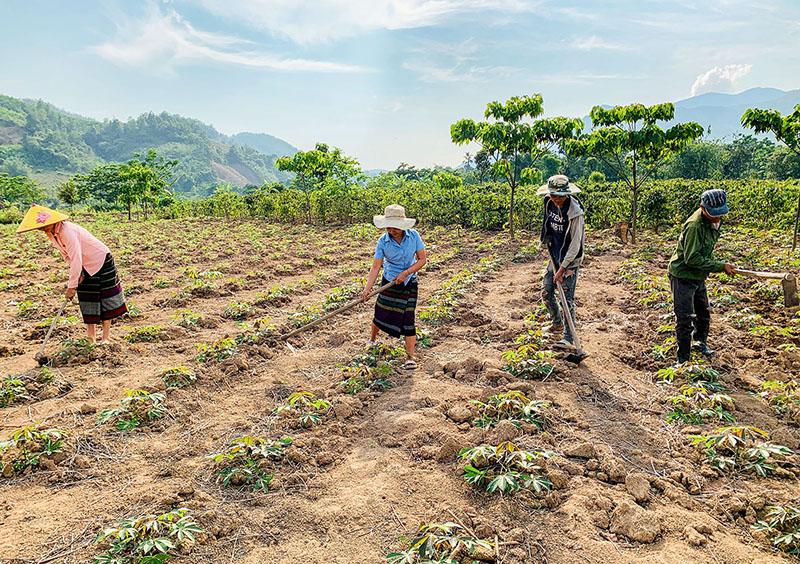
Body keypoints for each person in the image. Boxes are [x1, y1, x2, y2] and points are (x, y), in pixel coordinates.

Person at [16, 204, 128, 344]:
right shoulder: (51, 234)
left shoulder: (66, 231)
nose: (42, 229)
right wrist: (79, 274)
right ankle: (90, 338)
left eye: (44, 225)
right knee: (87, 297)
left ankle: (105, 337)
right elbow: (67, 256)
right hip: (83, 263)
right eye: (40, 227)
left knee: (106, 296)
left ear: (52, 221)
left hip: (101, 259)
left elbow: (76, 257)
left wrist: (71, 286)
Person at [668, 189, 735, 364]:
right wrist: (720, 266)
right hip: (683, 275)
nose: (718, 218)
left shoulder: (714, 221)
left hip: (698, 275)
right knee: (685, 318)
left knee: (703, 313)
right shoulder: (694, 226)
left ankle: (700, 343)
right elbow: (692, 258)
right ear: (702, 208)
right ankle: (683, 359)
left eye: (720, 214)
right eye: (714, 215)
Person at [360, 204, 427, 370]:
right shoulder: (383, 242)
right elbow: (376, 267)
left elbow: (422, 260)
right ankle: (372, 340)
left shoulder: (414, 236)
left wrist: (406, 273)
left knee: (408, 318)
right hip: (389, 280)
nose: (391, 230)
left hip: (409, 282)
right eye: (388, 227)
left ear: (403, 225)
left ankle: (410, 357)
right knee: (381, 311)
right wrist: (367, 289)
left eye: (395, 227)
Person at [537, 174, 585, 350]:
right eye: (553, 195)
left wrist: (563, 268)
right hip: (555, 255)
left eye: (560, 196)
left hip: (570, 260)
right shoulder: (548, 202)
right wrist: (545, 240)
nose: (556, 199)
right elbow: (547, 225)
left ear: (567, 194)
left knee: (566, 298)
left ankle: (569, 338)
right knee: (546, 291)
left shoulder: (575, 213)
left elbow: (575, 244)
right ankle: (556, 322)